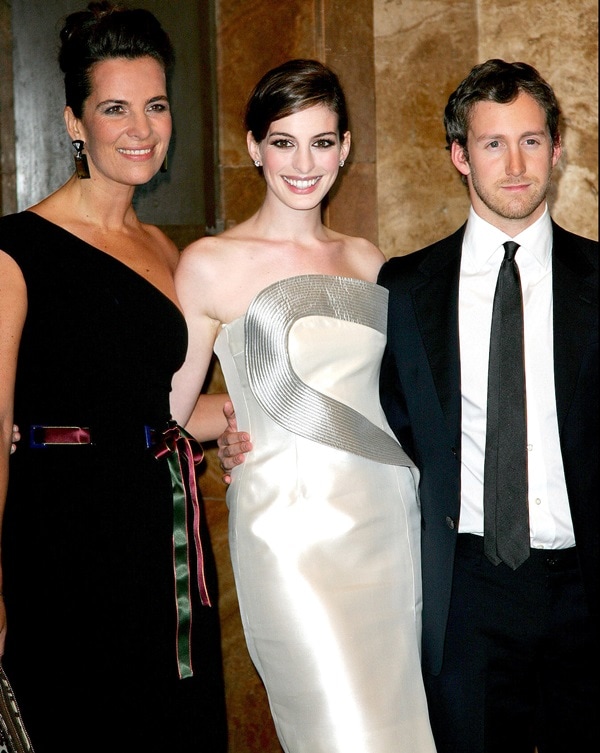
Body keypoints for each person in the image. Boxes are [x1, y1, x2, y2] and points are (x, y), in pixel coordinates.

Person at [219, 59, 599, 753]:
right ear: (459, 155)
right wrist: (240, 427)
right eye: (492, 143)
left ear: (558, 147)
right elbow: (358, 406)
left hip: (586, 591)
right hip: (464, 594)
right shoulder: (405, 287)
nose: (515, 164)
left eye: (532, 140)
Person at [169, 59, 436, 753]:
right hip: (290, 540)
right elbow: (172, 406)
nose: (303, 161)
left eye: (321, 141)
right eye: (284, 141)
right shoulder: (209, 262)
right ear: (254, 146)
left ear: (345, 148)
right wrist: (232, 425)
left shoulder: (368, 261)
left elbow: (391, 396)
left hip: (388, 526)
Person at [0, 4, 228, 752]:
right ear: (74, 121)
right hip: (62, 541)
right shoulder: (15, 250)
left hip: (160, 542)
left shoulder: (166, 247)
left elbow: (151, 409)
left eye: (156, 105)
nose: (141, 128)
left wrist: (233, 418)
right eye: (115, 108)